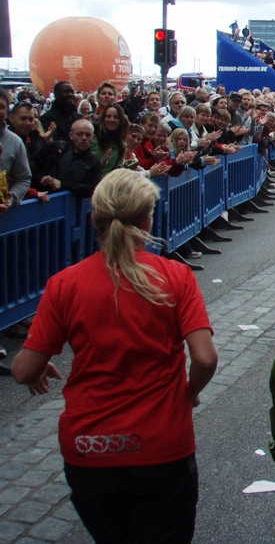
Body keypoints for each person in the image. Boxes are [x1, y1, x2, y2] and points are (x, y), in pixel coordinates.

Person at [11, 170, 217, 544]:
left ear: (93, 217)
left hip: (90, 449)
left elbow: (23, 369)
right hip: (161, 445)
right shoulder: (175, 276)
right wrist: (188, 392)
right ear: (148, 219)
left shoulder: (65, 284)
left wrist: (38, 367)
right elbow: (204, 358)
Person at [35, 119, 103, 199]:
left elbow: (92, 188)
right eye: (79, 134)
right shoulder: (55, 148)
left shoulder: (94, 162)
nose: (84, 138)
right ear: (71, 135)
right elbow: (33, 166)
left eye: (88, 135)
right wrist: (42, 177)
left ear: (93, 137)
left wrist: (63, 185)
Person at [0, 89, 31, 213]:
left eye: (1, 107)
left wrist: (9, 200)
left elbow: (23, 179)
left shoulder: (15, 142)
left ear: (7, 111)